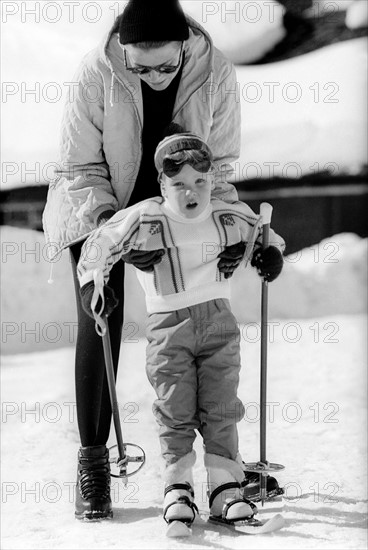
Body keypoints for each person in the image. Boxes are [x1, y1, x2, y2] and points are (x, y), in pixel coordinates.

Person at [42, 0, 254, 521]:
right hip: (98, 201)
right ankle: (93, 461)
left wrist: (223, 223)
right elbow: (79, 166)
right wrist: (110, 235)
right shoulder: (96, 71)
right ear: (123, 52)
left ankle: (216, 467)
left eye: (166, 66)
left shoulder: (216, 71)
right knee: (101, 316)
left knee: (197, 316)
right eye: (140, 68)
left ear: (185, 46)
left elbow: (220, 164)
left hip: (179, 199)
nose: (155, 77)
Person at [77, 128, 285, 526]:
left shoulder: (226, 215)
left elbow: (265, 234)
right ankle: (178, 487)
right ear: (162, 184)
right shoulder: (145, 218)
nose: (191, 193)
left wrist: (269, 254)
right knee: (175, 407)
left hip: (218, 322)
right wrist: (93, 286)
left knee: (221, 404)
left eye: (200, 182)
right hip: (168, 326)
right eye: (179, 184)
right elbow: (98, 245)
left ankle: (225, 486)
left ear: (211, 181)